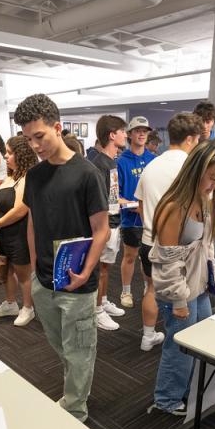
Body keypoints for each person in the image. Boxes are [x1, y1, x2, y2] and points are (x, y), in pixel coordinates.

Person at [14, 93, 110, 422]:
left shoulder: (87, 173)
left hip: (78, 282)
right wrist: (31, 268)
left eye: (39, 136)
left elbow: (102, 230)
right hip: (44, 279)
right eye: (28, 139)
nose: (35, 145)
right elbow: (32, 221)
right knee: (64, 348)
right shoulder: (36, 177)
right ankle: (74, 392)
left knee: (80, 350)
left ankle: (76, 411)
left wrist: (85, 273)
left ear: (57, 127)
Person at [148, 141, 215, 415]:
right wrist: (178, 301)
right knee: (180, 347)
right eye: (212, 176)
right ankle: (167, 400)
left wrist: (212, 276)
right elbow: (168, 262)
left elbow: (205, 245)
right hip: (178, 291)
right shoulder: (175, 206)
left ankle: (184, 392)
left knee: (198, 342)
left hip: (197, 285)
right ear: (196, 170)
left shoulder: (203, 199)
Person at [136, 112, 210, 352]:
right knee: (181, 306)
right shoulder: (191, 169)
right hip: (179, 248)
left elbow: (140, 205)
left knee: (151, 288)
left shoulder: (151, 164)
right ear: (191, 139)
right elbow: (203, 211)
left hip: (148, 240)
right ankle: (177, 347)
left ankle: (148, 336)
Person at [0, 135, 38, 327]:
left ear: (21, 154)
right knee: (6, 269)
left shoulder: (26, 178)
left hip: (19, 233)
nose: (6, 157)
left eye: (10, 153)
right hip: (2, 232)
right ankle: (10, 303)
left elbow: (20, 209)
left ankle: (28, 307)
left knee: (23, 273)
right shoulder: (9, 177)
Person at [85, 115, 128, 331]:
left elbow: (111, 197)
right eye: (123, 131)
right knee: (100, 268)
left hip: (113, 221)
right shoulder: (100, 164)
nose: (126, 135)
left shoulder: (109, 162)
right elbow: (100, 200)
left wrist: (126, 203)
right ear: (113, 135)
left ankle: (102, 300)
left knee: (105, 268)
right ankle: (97, 309)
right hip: (106, 225)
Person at [117, 116, 156, 310]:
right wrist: (135, 205)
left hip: (150, 220)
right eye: (137, 130)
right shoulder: (121, 161)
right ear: (130, 134)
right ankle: (126, 290)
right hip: (131, 220)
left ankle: (148, 289)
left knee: (148, 257)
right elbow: (115, 196)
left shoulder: (153, 159)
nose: (141, 134)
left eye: (145, 131)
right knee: (130, 256)